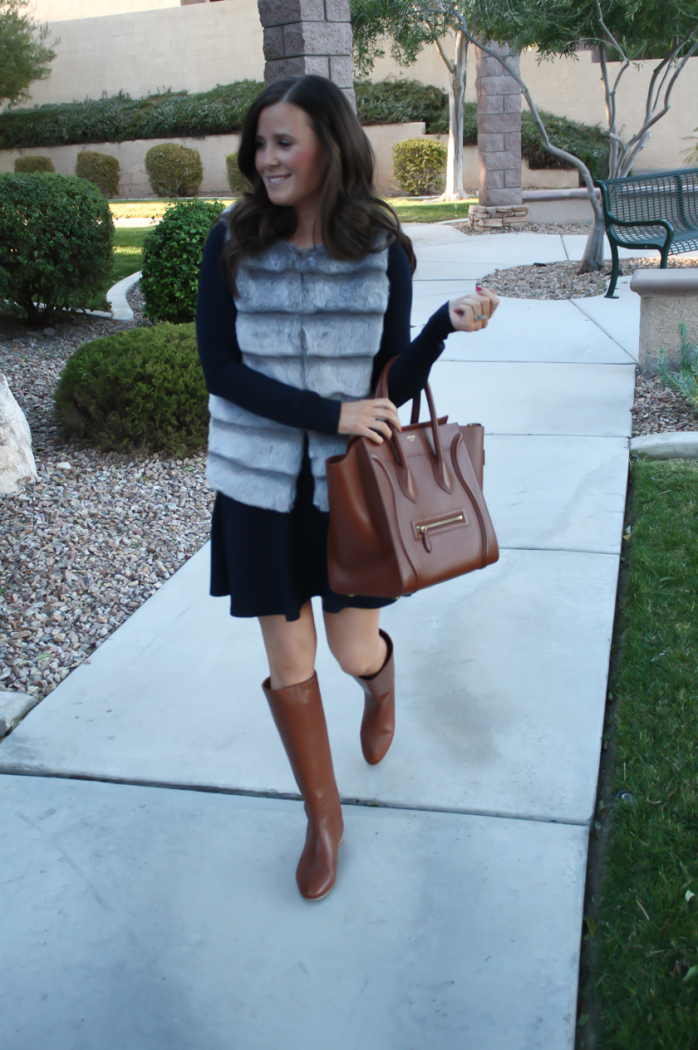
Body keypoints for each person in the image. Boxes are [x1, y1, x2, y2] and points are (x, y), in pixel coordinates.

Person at [196, 74, 499, 902]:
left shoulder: (382, 249)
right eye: (259, 144)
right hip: (258, 490)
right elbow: (220, 370)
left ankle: (382, 682)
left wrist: (441, 327)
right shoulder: (232, 242)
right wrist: (328, 413)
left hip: (349, 497)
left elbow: (387, 386)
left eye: (283, 142)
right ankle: (323, 822)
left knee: (348, 647)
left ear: (331, 144)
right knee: (290, 661)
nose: (266, 160)